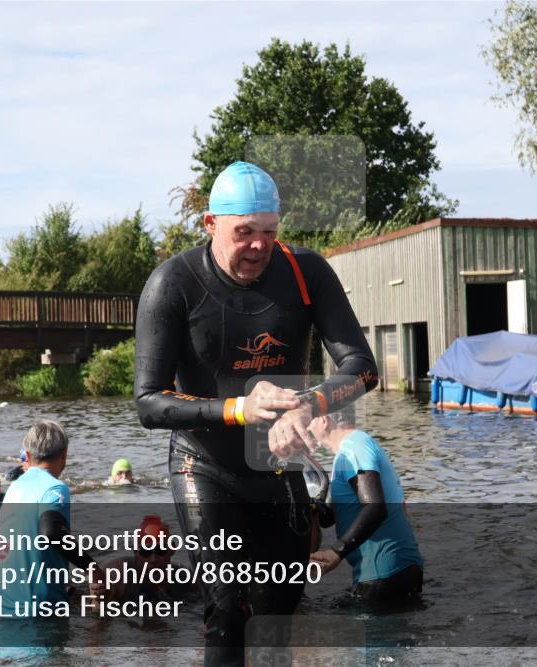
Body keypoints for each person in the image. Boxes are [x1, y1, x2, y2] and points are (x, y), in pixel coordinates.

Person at [134, 161, 378, 665]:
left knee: (277, 613)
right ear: (210, 225)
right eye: (243, 232)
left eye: (268, 232)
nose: (258, 246)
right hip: (204, 465)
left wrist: (307, 406)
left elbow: (362, 368)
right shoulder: (173, 283)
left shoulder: (305, 271)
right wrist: (238, 409)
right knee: (226, 610)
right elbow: (149, 403)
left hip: (279, 468)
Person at [0, 420, 106, 617]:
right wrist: (92, 568)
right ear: (64, 455)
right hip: (37, 615)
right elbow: (51, 531)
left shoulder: (14, 488)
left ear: (28, 455)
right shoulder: (55, 488)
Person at [307, 405, 423, 606]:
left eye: (309, 419)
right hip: (393, 569)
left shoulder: (354, 448)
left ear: (324, 420)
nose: (307, 427)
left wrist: (335, 552)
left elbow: (375, 507)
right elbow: (331, 517)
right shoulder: (350, 450)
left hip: (384, 573)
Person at [100, 515, 196, 603]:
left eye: (160, 550)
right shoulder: (116, 575)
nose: (153, 559)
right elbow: (95, 612)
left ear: (172, 549)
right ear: (136, 552)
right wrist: (97, 600)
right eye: (145, 552)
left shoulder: (187, 579)